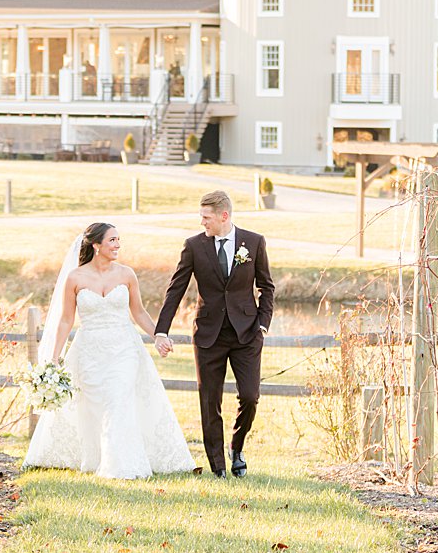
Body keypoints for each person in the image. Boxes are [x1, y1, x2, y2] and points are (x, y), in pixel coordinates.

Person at [22, 222, 195, 479]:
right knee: (96, 407)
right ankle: (97, 458)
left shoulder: (126, 275)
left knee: (118, 399)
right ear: (96, 245)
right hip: (89, 351)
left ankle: (121, 466)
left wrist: (158, 335)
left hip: (124, 348)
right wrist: (55, 357)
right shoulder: (76, 278)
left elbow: (138, 312)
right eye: (112, 240)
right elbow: (66, 320)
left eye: (118, 239)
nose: (117, 245)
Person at [154, 190, 275, 478]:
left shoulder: (254, 242)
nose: (202, 223)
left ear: (224, 216)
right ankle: (218, 467)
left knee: (250, 395)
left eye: (206, 217)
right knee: (210, 400)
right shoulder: (194, 246)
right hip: (209, 334)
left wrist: (262, 323)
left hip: (246, 333)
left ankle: (237, 445)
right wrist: (162, 330)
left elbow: (266, 286)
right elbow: (176, 288)